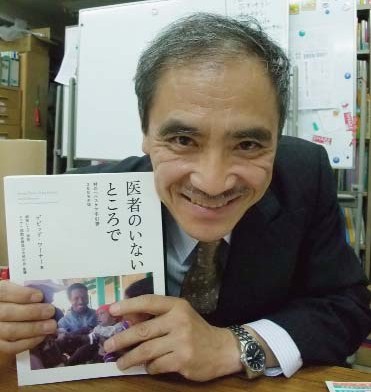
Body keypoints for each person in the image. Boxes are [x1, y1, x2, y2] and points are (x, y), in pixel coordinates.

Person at [0, 13, 370, 382]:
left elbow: (346, 306)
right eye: (182, 140)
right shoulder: (78, 198)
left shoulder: (304, 176)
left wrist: (233, 345)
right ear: (145, 132)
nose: (212, 183)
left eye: (248, 144)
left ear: (277, 135)